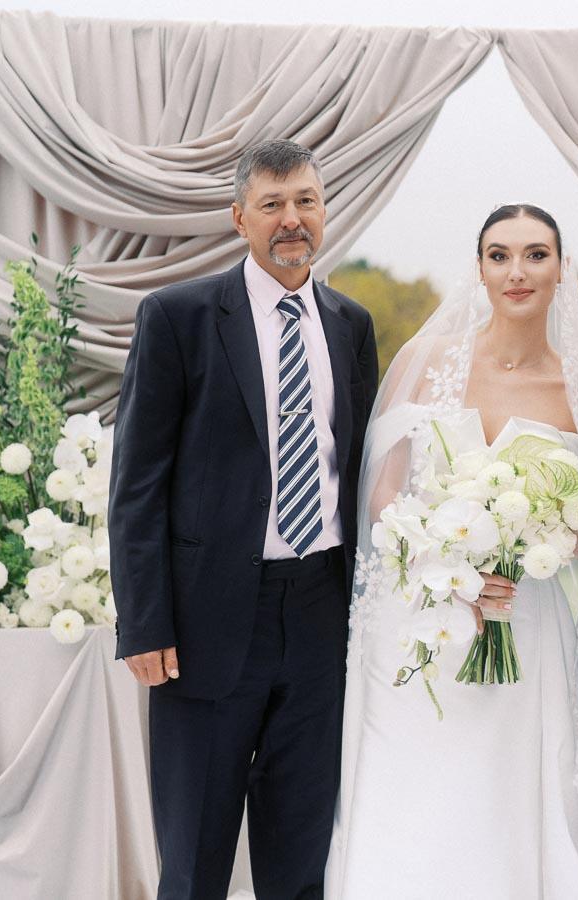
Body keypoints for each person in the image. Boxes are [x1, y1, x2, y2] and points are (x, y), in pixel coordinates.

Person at [108, 139, 378, 899]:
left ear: (324, 211)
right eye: (272, 205)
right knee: (194, 860)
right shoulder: (179, 316)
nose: (292, 220)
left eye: (306, 202)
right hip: (206, 622)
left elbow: (352, 470)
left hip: (322, 615)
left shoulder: (350, 323)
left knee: (300, 858)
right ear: (239, 218)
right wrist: (145, 624)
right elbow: (136, 485)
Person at [327, 204, 578, 899]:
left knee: (504, 785)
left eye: (536, 255)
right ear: (479, 268)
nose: (517, 271)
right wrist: (447, 564)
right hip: (419, 619)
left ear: (561, 269)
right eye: (499, 255)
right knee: (414, 783)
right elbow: (381, 495)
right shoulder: (426, 362)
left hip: (523, 614)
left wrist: (542, 547)